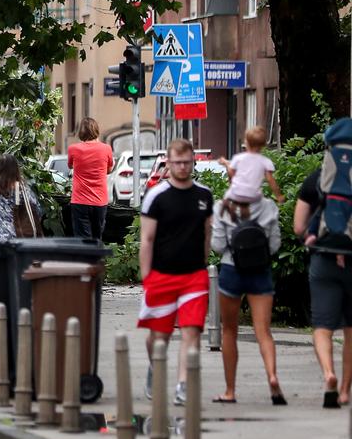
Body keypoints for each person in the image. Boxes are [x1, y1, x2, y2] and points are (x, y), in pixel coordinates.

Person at [137, 138, 213, 406]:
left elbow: (207, 232)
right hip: (161, 274)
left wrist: (203, 262)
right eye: (177, 162)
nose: (182, 167)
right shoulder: (156, 196)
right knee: (160, 336)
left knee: (192, 331)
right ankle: (154, 367)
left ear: (193, 162)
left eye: (187, 162)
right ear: (168, 163)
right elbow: (146, 239)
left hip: (194, 276)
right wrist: (146, 277)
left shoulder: (204, 195)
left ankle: (182, 384)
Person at [210, 193, 284, 404]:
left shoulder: (222, 206)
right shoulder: (268, 206)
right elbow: (274, 245)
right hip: (260, 271)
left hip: (232, 269)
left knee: (229, 331)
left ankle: (230, 391)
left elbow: (217, 245)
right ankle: (272, 376)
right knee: (264, 332)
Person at [294, 150, 351, 408]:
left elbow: (297, 227)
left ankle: (329, 373)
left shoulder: (316, 179)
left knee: (322, 326)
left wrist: (311, 236)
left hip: (323, 259)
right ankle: (345, 391)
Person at [66, 117, 113, 242]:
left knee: (82, 241)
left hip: (80, 201)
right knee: (97, 238)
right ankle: (97, 261)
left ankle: (85, 261)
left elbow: (70, 166)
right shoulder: (106, 148)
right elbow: (109, 170)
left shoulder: (73, 149)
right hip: (100, 201)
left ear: (81, 132)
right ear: (96, 130)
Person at [219, 125, 285, 203]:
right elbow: (270, 179)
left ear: (246, 143)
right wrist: (279, 196)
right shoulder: (265, 162)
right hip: (253, 197)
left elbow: (231, 173)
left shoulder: (238, 158)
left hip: (236, 195)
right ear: (263, 145)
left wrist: (226, 164)